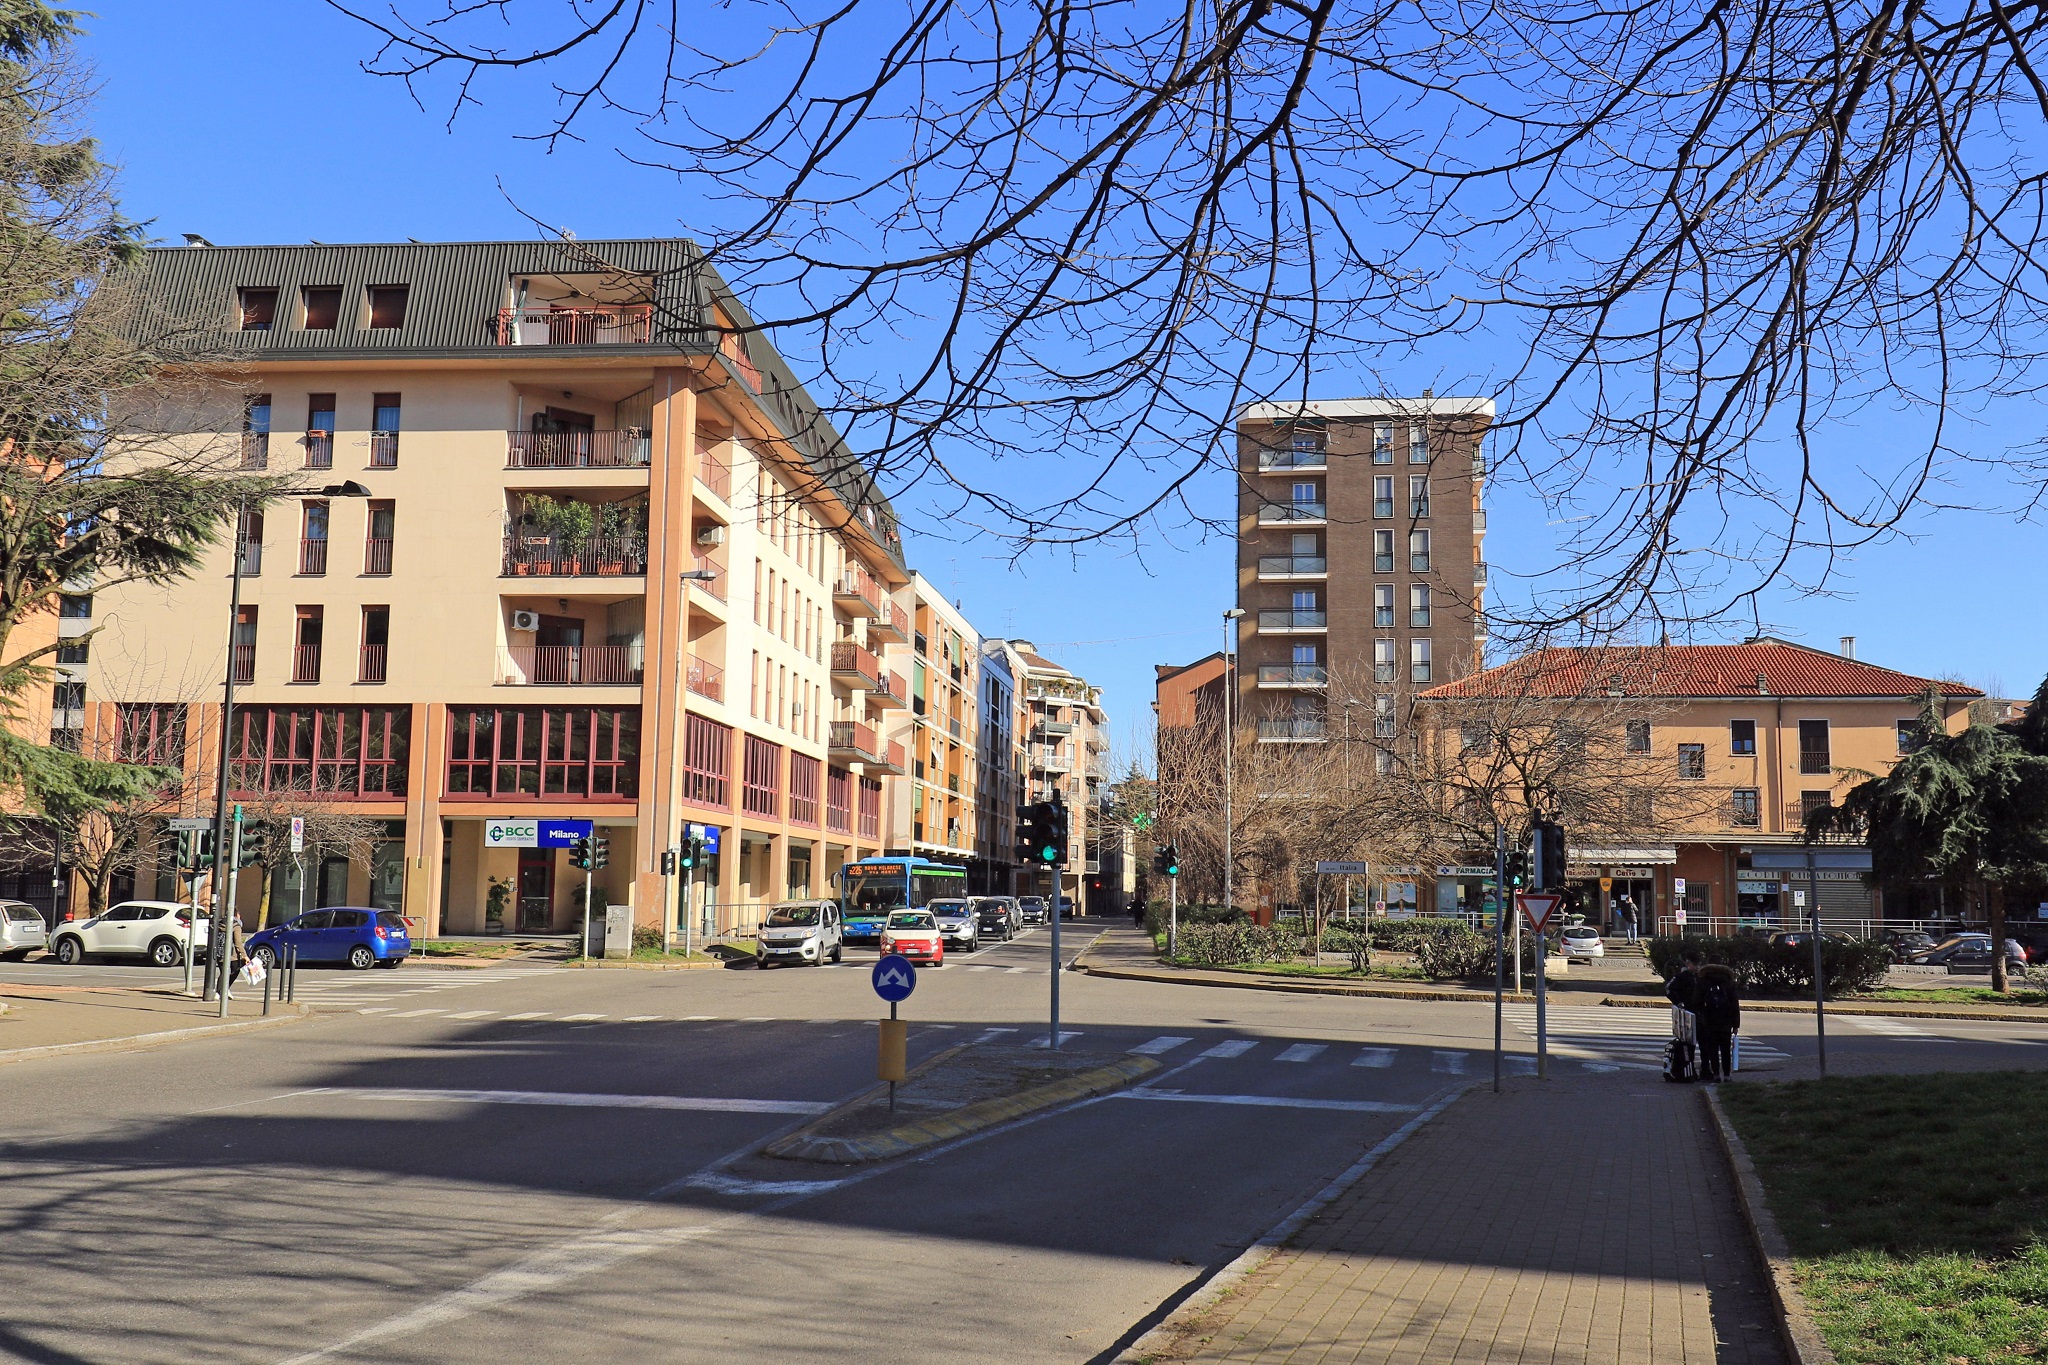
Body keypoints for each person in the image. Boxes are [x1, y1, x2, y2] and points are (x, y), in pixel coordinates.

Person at [1694, 961, 1741, 1082]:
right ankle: (1727, 1075)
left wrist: (1701, 1016)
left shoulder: (1703, 980)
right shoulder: (1728, 981)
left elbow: (1697, 1001)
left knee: (1712, 1049)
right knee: (1725, 1049)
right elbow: (1735, 1004)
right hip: (1726, 1020)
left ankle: (1716, 1074)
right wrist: (1736, 1024)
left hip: (1709, 1020)